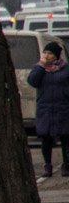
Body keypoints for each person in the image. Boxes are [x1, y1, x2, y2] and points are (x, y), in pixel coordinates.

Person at [28, 41, 69, 177]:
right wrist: (41, 66)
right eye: (45, 52)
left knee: (65, 136)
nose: (46, 55)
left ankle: (66, 165)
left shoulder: (65, 69)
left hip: (62, 107)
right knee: (45, 137)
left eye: (50, 53)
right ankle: (47, 165)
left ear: (56, 55)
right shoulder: (39, 68)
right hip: (45, 108)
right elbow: (32, 81)